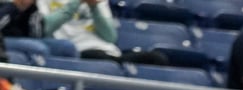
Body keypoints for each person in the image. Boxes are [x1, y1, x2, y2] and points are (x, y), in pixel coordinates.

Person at [34, 0, 168, 62]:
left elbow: (110, 37)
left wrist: (94, 8)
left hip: (107, 51)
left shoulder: (99, 2)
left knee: (157, 58)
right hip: (76, 51)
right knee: (98, 57)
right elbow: (45, 28)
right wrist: (76, 3)